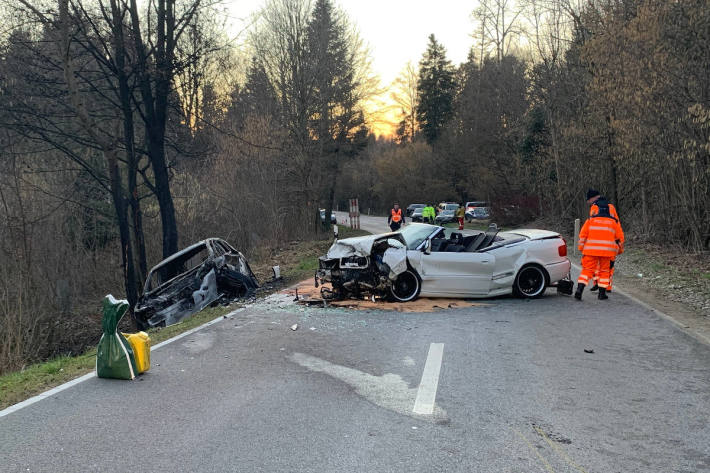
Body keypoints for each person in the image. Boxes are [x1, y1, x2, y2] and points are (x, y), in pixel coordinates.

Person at [575, 198, 624, 301]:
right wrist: (619, 251)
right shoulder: (614, 222)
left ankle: (579, 290)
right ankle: (602, 294)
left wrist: (581, 248)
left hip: (590, 251)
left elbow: (582, 235)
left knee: (586, 271)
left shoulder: (590, 220)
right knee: (604, 271)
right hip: (607, 252)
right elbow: (619, 239)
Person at [586, 189, 621, 292]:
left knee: (596, 264)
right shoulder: (611, 207)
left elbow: (592, 225)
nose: (588, 202)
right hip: (611, 241)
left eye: (588, 199)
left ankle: (598, 283)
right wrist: (619, 241)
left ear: (593, 198)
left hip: (597, 242)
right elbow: (617, 224)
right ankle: (607, 286)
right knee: (609, 266)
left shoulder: (594, 208)